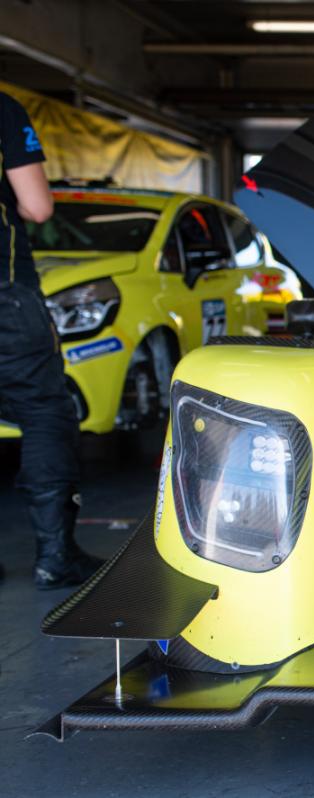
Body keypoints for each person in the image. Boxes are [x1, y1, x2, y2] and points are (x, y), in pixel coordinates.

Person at [0, 91, 101, 588]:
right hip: (4, 292)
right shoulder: (3, 109)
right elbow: (38, 208)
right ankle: (54, 559)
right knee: (44, 413)